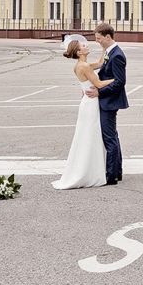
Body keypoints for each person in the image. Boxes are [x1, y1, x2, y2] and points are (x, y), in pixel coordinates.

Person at [51, 36, 112, 190]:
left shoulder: (82, 65)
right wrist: (116, 80)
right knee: (90, 136)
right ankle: (89, 172)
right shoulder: (83, 66)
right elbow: (98, 84)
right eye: (82, 45)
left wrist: (105, 48)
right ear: (79, 52)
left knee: (87, 136)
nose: (85, 45)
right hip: (90, 104)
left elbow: (99, 64)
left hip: (87, 102)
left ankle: (89, 169)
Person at [85, 22, 128, 186]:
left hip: (109, 101)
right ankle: (116, 171)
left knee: (109, 138)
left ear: (108, 37)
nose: (97, 41)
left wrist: (99, 92)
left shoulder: (117, 55)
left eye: (99, 38)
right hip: (108, 100)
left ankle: (111, 176)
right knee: (113, 137)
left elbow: (119, 82)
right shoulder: (110, 52)